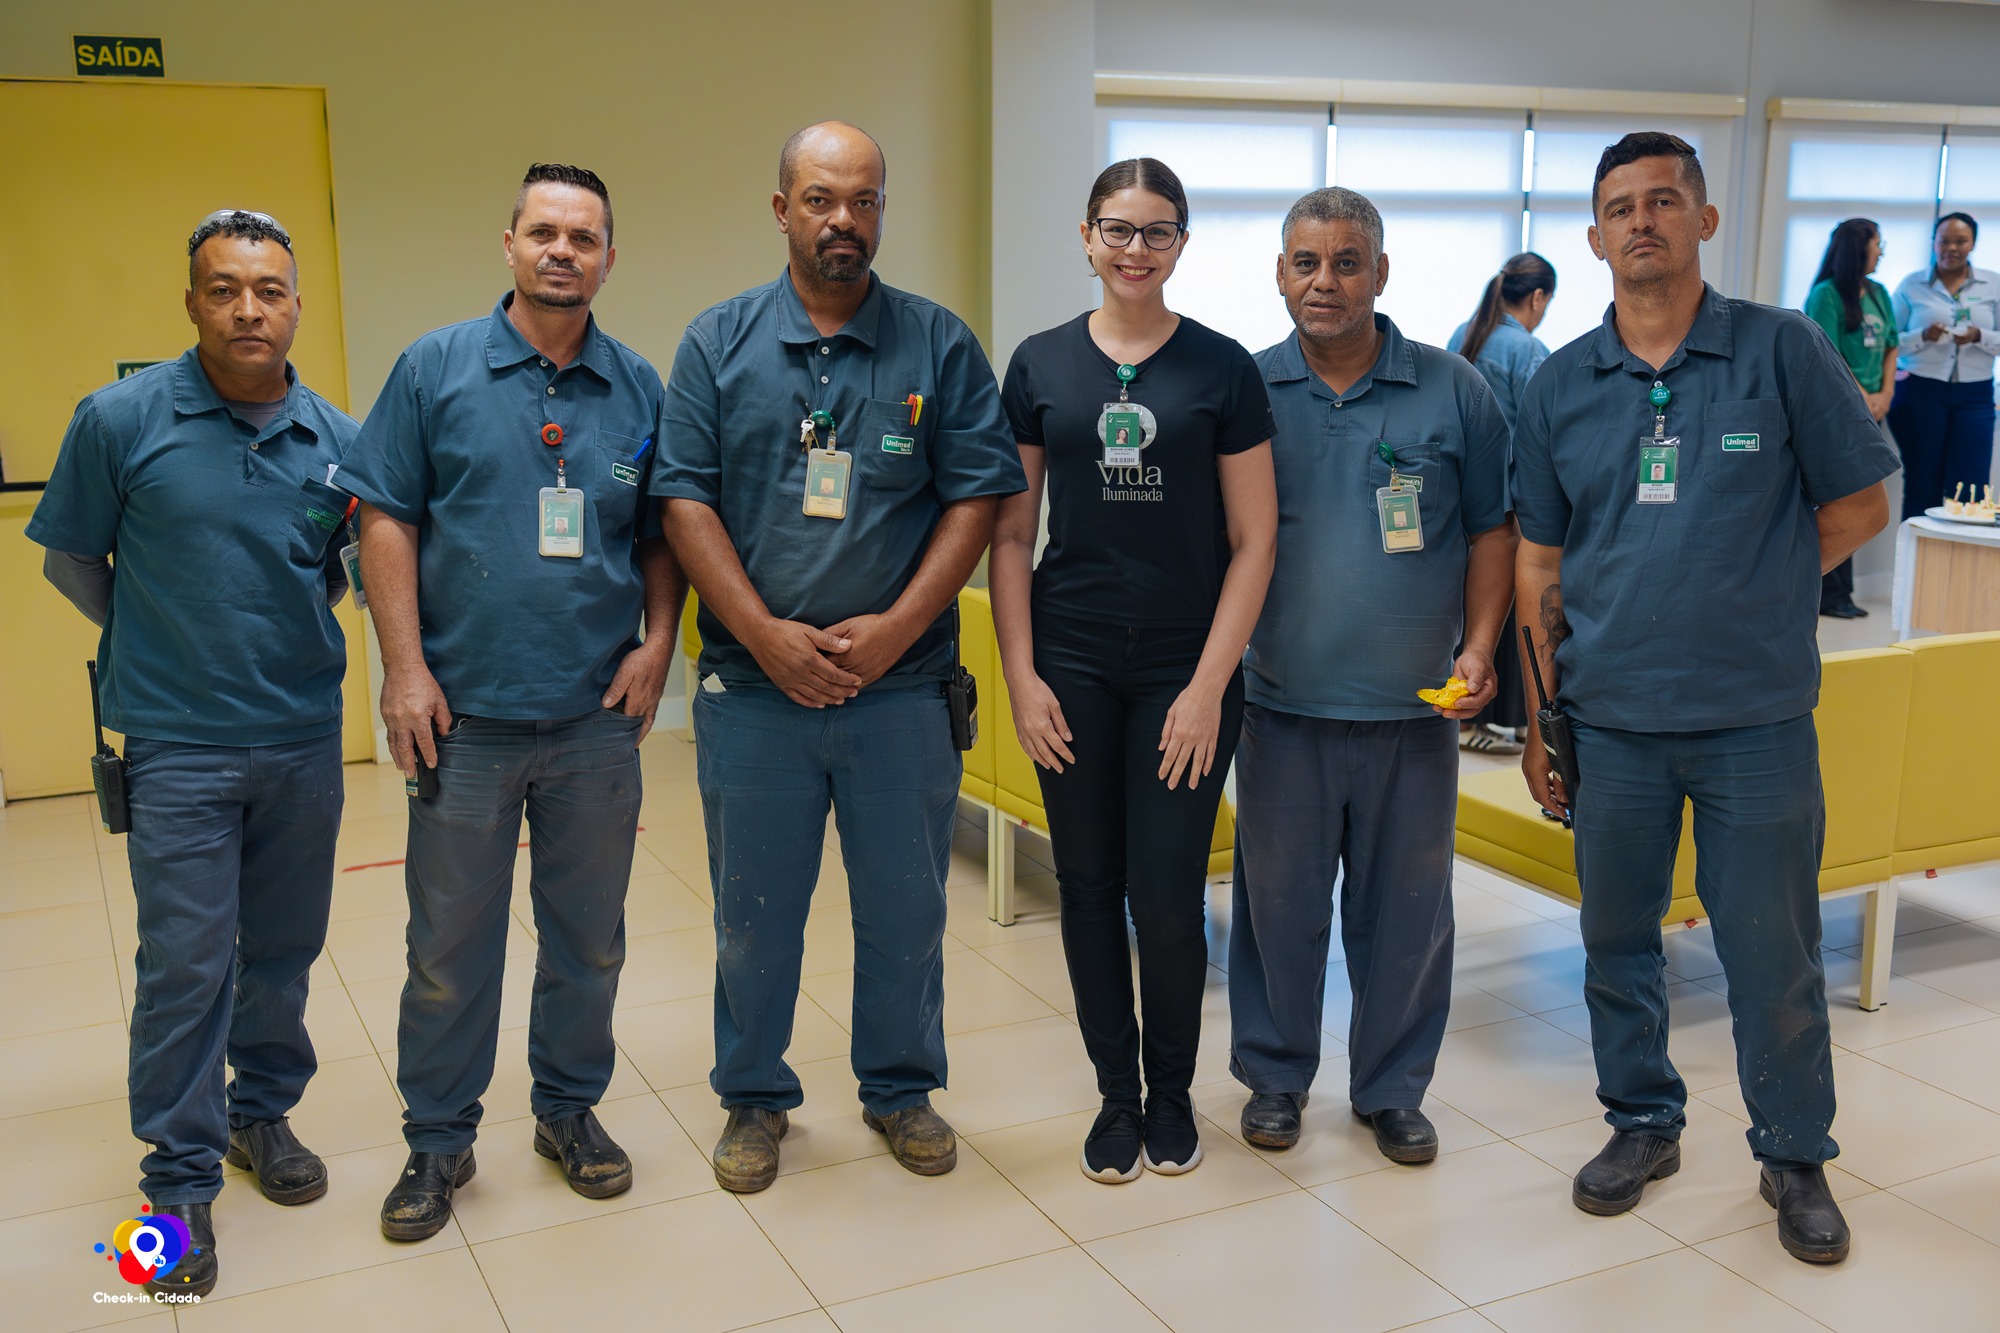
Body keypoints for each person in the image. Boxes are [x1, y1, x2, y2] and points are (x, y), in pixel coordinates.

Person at [1512, 133, 1896, 1265]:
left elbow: (1861, 502)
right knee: (1615, 940)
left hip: (1752, 721)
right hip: (1611, 720)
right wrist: (1540, 721)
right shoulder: (1560, 383)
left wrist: (1761, 585)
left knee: (1772, 952)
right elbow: (1540, 561)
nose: (1641, 220)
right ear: (1594, 237)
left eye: (1662, 200)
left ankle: (1793, 1152)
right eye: (1619, 207)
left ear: (1702, 219)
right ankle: (1641, 1121)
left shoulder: (1779, 349)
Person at [655, 122, 1024, 1193]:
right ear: (782, 210)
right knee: (754, 917)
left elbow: (976, 498)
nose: (842, 221)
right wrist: (763, 634)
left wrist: (901, 624)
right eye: (820, 199)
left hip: (899, 690)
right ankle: (753, 1097)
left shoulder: (937, 344)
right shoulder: (717, 343)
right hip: (752, 690)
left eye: (863, 200)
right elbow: (682, 502)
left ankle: (900, 1088)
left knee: (906, 910)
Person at [338, 164, 684, 1240]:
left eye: (583, 236)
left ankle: (568, 1110)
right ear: (510, 244)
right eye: (543, 231)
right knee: (448, 949)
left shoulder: (638, 386)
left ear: (609, 258)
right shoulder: (434, 368)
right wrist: (402, 668)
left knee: (589, 938)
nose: (561, 250)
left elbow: (662, 533)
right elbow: (383, 517)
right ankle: (439, 1137)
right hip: (465, 719)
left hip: (594, 719)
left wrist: (659, 643)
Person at [27, 210, 357, 1298]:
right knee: (185, 961)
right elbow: (74, 558)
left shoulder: (337, 438)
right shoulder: (120, 419)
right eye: (224, 289)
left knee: (283, 949)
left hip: (301, 738)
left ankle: (260, 1115)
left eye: (269, 290)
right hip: (176, 744)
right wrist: (156, 635)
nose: (248, 309)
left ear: (296, 304)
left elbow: (338, 573)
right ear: (191, 303)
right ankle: (174, 1187)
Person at [992, 158, 1277, 1183]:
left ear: (1181, 244)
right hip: (1069, 660)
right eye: (1117, 229)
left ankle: (1171, 1094)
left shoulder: (1221, 368)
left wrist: (1206, 687)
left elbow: (1254, 541)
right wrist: (1021, 676)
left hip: (1183, 668)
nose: (1135, 249)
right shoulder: (1038, 365)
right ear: (1086, 237)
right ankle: (1115, 1094)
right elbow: (1011, 535)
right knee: (1085, 884)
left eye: (1158, 231)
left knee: (1165, 893)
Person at [1228, 188, 1514, 1166]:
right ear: (1279, 272)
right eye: (1306, 262)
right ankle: (1274, 1077)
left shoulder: (1453, 390)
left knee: (1406, 916)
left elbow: (1492, 532)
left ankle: (1392, 1088)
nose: (1325, 281)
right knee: (1277, 909)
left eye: (1346, 262)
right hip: (1280, 706)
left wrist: (1479, 647)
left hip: (1414, 712)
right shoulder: (1244, 389)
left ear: (1380, 273)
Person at [1448, 252, 1558, 753]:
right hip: (1512, 505)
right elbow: (1543, 434)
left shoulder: (1462, 335)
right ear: (1536, 298)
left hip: (1459, 499)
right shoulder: (1528, 350)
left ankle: (1464, 718)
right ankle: (1506, 722)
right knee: (1513, 607)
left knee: (1469, 606)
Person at [1803, 218, 1899, 617]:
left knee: (1863, 499)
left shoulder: (1878, 292)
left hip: (1874, 407)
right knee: (1839, 499)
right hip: (1841, 409)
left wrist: (1885, 394)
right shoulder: (1826, 294)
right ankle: (1830, 595)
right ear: (1858, 249)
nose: (1881, 252)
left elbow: (1891, 345)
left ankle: (1844, 594)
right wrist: (1861, 397)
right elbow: (1827, 354)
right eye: (1878, 244)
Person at [1888, 213, 1997, 518]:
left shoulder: (1993, 284)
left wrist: (1980, 336)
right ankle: (1917, 549)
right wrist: (1921, 336)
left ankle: (1962, 550)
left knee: (1971, 487)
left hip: (1975, 395)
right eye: (1944, 241)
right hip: (1921, 391)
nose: (1951, 248)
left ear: (1973, 243)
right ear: (1933, 243)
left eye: (1960, 241)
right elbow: (1889, 341)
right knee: (1922, 482)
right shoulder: (1912, 284)